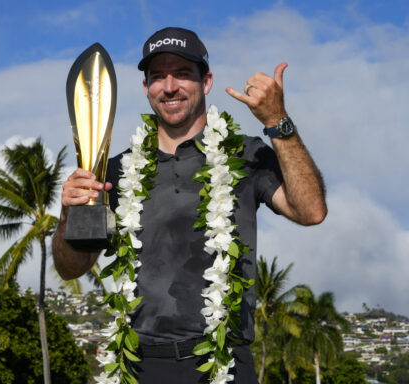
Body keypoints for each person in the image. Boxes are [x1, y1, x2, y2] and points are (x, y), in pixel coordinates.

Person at [53, 27, 327, 383]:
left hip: (225, 362)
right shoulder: (116, 171)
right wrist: (67, 216)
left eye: (182, 74)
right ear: (146, 88)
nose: (169, 87)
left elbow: (311, 211)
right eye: (157, 77)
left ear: (206, 81)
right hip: (140, 366)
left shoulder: (246, 154)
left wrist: (278, 123)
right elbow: (72, 267)